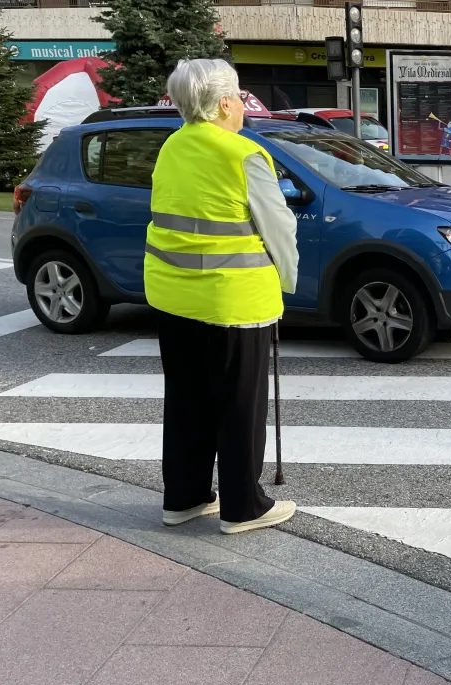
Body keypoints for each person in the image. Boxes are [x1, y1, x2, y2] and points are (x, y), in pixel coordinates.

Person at [146, 58, 299, 535]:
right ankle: (243, 506)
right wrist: (287, 282)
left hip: (172, 296)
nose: (241, 105)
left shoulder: (171, 146)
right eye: (238, 96)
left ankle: (185, 498)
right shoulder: (244, 154)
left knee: (187, 399)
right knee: (239, 405)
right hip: (233, 301)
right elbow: (280, 230)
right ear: (225, 102)